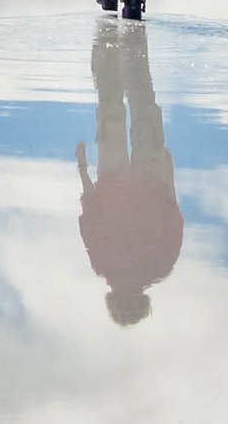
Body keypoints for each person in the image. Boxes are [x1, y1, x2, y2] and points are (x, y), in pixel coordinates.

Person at [76, 19, 181, 327]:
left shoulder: (159, 266)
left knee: (139, 105)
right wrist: (82, 169)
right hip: (123, 179)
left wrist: (169, 173)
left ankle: (127, 51)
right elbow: (90, 215)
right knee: (118, 108)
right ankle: (120, 51)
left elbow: (173, 214)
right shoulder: (107, 265)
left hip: (140, 179)